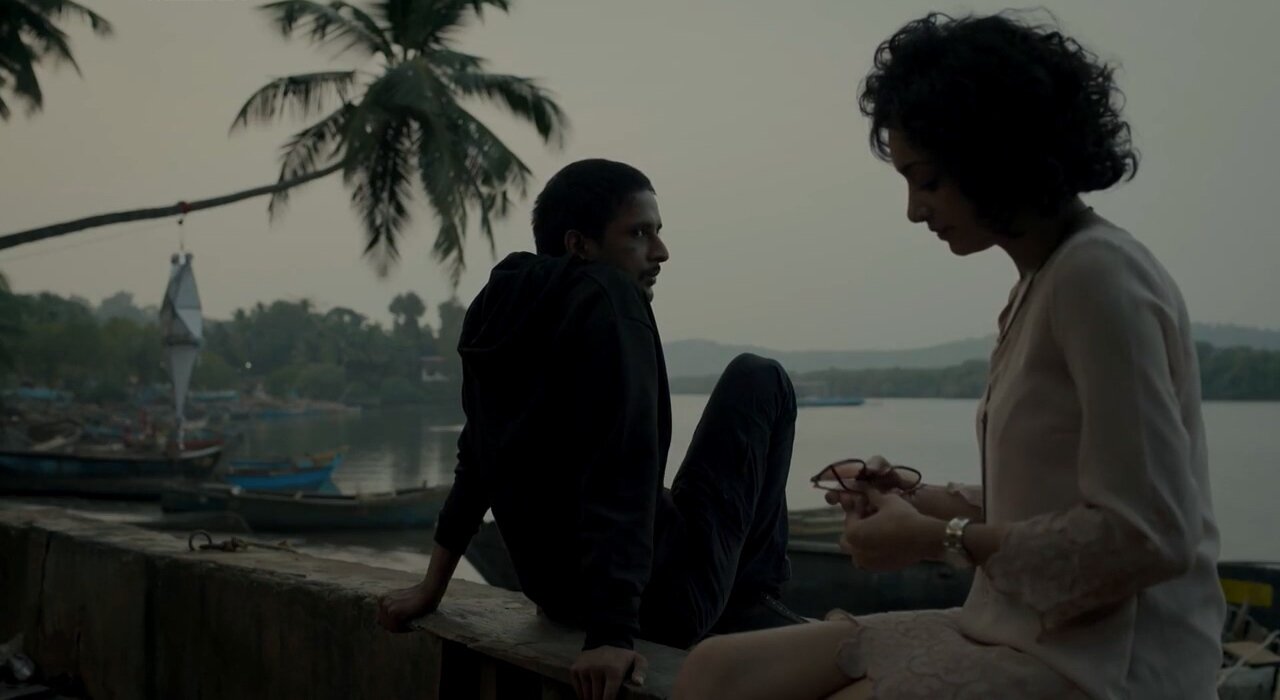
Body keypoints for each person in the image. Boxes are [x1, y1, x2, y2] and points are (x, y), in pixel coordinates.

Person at [673, 12, 1225, 700]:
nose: (913, 210)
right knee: (715, 669)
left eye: (927, 180)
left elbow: (1149, 534)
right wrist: (919, 499)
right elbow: (1058, 494)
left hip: (1109, 664)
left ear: (994, 156)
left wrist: (937, 539)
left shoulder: (1099, 277)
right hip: (1018, 627)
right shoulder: (1042, 281)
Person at [376, 159, 804, 700]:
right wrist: (611, 636)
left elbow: (477, 458)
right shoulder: (614, 301)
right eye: (639, 234)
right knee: (759, 378)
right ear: (579, 244)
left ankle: (742, 602)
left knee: (675, 493)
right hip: (663, 606)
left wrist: (431, 586)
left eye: (658, 232)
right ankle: (752, 602)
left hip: (559, 598)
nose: (660, 252)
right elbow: (625, 469)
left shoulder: (499, 305)